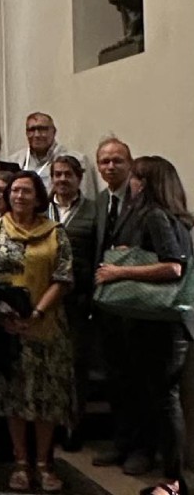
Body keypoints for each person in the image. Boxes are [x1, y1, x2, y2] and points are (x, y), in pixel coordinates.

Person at [95, 156, 194, 495]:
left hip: (161, 324)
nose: (131, 183)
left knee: (166, 399)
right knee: (156, 395)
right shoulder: (170, 216)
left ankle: (175, 476)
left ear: (147, 183)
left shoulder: (155, 215)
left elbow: (173, 267)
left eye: (136, 177)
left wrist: (120, 270)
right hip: (158, 323)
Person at [0, 171, 75, 493]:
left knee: (47, 398)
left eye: (26, 191)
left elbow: (63, 276)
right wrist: (6, 313)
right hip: (7, 326)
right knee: (15, 398)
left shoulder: (55, 232)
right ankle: (21, 463)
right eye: (14, 191)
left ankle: (45, 464)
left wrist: (36, 313)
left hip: (46, 324)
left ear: (38, 196)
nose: (19, 196)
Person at [90, 137, 140, 471]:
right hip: (107, 304)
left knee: (138, 382)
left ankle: (142, 449)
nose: (110, 167)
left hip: (136, 305)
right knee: (115, 380)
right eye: (105, 161)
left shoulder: (142, 202)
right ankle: (121, 443)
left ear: (130, 163)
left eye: (117, 161)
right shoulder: (99, 201)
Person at [49, 155, 98, 452]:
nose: (62, 179)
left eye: (68, 174)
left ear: (79, 178)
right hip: (45, 297)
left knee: (76, 364)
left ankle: (73, 425)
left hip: (78, 299)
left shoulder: (94, 211)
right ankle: (50, 423)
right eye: (57, 174)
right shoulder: (41, 208)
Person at [8, 112, 97, 199]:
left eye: (42, 129)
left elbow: (87, 199)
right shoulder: (13, 161)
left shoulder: (78, 160)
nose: (37, 135)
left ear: (54, 132)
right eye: (32, 130)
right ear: (26, 133)